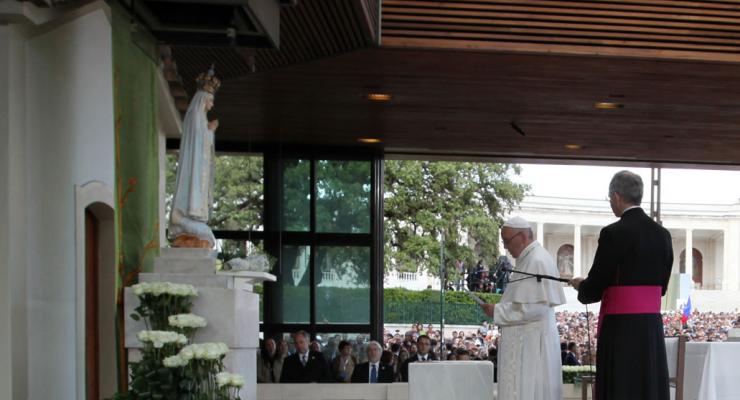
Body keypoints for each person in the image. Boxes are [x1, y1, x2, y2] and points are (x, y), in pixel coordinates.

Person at [570, 170, 673, 400]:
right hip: (650, 328)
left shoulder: (613, 233)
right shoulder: (663, 235)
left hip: (621, 328)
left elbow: (594, 288)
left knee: (622, 386)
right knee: (647, 386)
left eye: (610, 200)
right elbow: (662, 288)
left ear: (616, 197)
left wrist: (581, 286)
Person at [481, 216, 566, 400]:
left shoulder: (537, 260)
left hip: (532, 347)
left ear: (522, 236)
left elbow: (536, 308)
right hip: (525, 342)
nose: (505, 247)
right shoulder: (527, 259)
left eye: (507, 241)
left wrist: (497, 311)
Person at [168, 66, 221, 248]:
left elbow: (202, 141)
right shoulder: (194, 115)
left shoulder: (200, 117)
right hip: (194, 166)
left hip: (199, 166)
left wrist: (209, 131)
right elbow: (197, 142)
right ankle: (183, 217)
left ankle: (189, 219)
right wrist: (210, 131)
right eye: (210, 101)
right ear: (203, 99)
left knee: (207, 238)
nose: (212, 105)